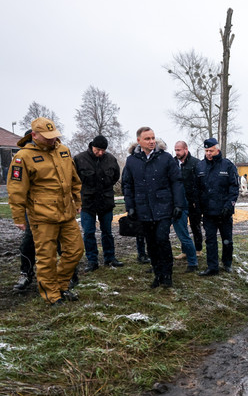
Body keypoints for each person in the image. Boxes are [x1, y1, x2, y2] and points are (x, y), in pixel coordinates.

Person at [7, 117, 84, 306]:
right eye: (47, 137)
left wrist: (77, 200)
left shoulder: (64, 151)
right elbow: (16, 189)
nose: (52, 140)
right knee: (46, 258)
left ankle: (61, 284)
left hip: (66, 213)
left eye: (54, 136)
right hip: (42, 216)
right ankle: (52, 295)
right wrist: (18, 217)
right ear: (34, 135)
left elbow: (74, 180)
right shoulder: (22, 157)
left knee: (76, 251)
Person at [121, 127, 185, 288]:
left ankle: (167, 274)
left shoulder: (165, 158)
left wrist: (178, 204)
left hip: (163, 207)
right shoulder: (132, 161)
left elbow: (176, 182)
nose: (151, 141)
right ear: (139, 141)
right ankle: (157, 274)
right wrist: (130, 207)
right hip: (143, 209)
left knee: (162, 239)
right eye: (147, 138)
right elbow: (128, 185)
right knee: (150, 242)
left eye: (153, 138)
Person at [74, 135, 123, 272]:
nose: (100, 153)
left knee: (107, 232)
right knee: (89, 232)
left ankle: (110, 257)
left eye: (103, 150)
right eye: (98, 150)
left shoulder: (111, 159)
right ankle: (92, 260)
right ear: (92, 146)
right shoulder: (79, 159)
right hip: (87, 203)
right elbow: (74, 180)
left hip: (105, 201)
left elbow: (115, 176)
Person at [195, 138, 239, 277]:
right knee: (210, 240)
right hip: (208, 212)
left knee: (227, 239)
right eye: (206, 151)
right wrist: (199, 206)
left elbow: (234, 187)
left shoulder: (227, 166)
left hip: (224, 211)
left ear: (217, 150)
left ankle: (227, 263)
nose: (208, 153)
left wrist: (229, 205)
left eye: (211, 150)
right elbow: (197, 188)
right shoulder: (200, 167)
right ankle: (212, 266)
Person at [173, 141, 203, 261]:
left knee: (195, 225)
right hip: (180, 201)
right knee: (182, 227)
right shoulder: (173, 163)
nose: (177, 152)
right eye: (175, 150)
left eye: (179, 150)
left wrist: (197, 200)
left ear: (186, 149)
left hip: (193, 201)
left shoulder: (196, 163)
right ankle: (185, 250)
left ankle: (198, 249)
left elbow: (200, 183)